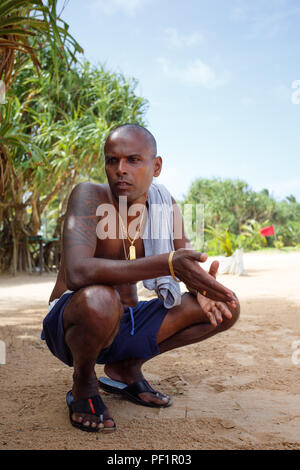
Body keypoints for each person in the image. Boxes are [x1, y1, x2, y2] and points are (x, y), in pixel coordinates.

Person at [41, 124, 240, 433]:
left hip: (127, 323)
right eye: (112, 160)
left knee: (226, 306)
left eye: (133, 160)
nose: (121, 169)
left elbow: (184, 261)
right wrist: (166, 264)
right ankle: (84, 381)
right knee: (101, 299)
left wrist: (201, 287)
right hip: (77, 322)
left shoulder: (164, 205)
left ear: (155, 166)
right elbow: (78, 272)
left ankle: (126, 366)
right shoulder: (89, 195)